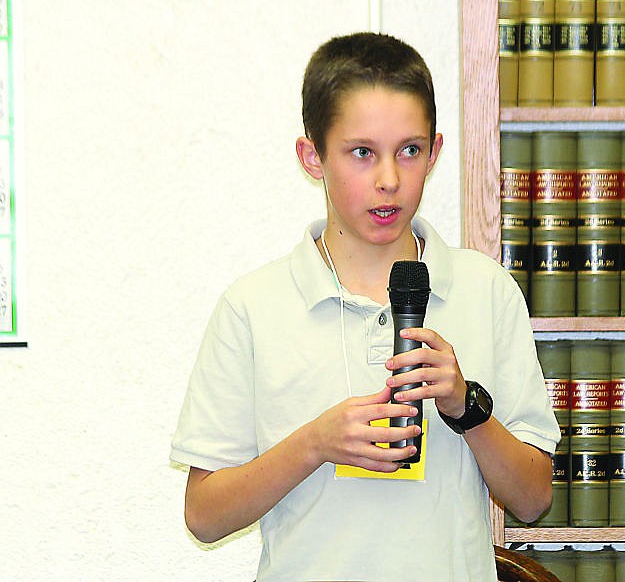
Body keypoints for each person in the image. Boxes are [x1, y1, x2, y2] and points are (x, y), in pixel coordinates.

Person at [171, 31, 560, 581]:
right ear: (312, 157)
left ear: (436, 151)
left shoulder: (488, 290)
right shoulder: (252, 306)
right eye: (362, 153)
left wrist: (464, 406)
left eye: (410, 150)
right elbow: (203, 516)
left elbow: (533, 498)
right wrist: (316, 443)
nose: (389, 180)